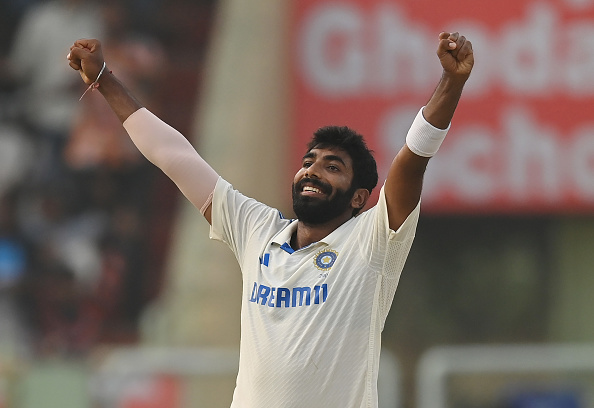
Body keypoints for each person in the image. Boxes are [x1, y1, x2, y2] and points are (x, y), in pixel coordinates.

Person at [67, 32, 473, 407]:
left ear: (360, 198)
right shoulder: (258, 231)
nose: (312, 171)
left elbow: (412, 161)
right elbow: (174, 155)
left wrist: (450, 84)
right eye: (308, 162)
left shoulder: (371, 243)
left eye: (333, 167)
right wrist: (104, 79)